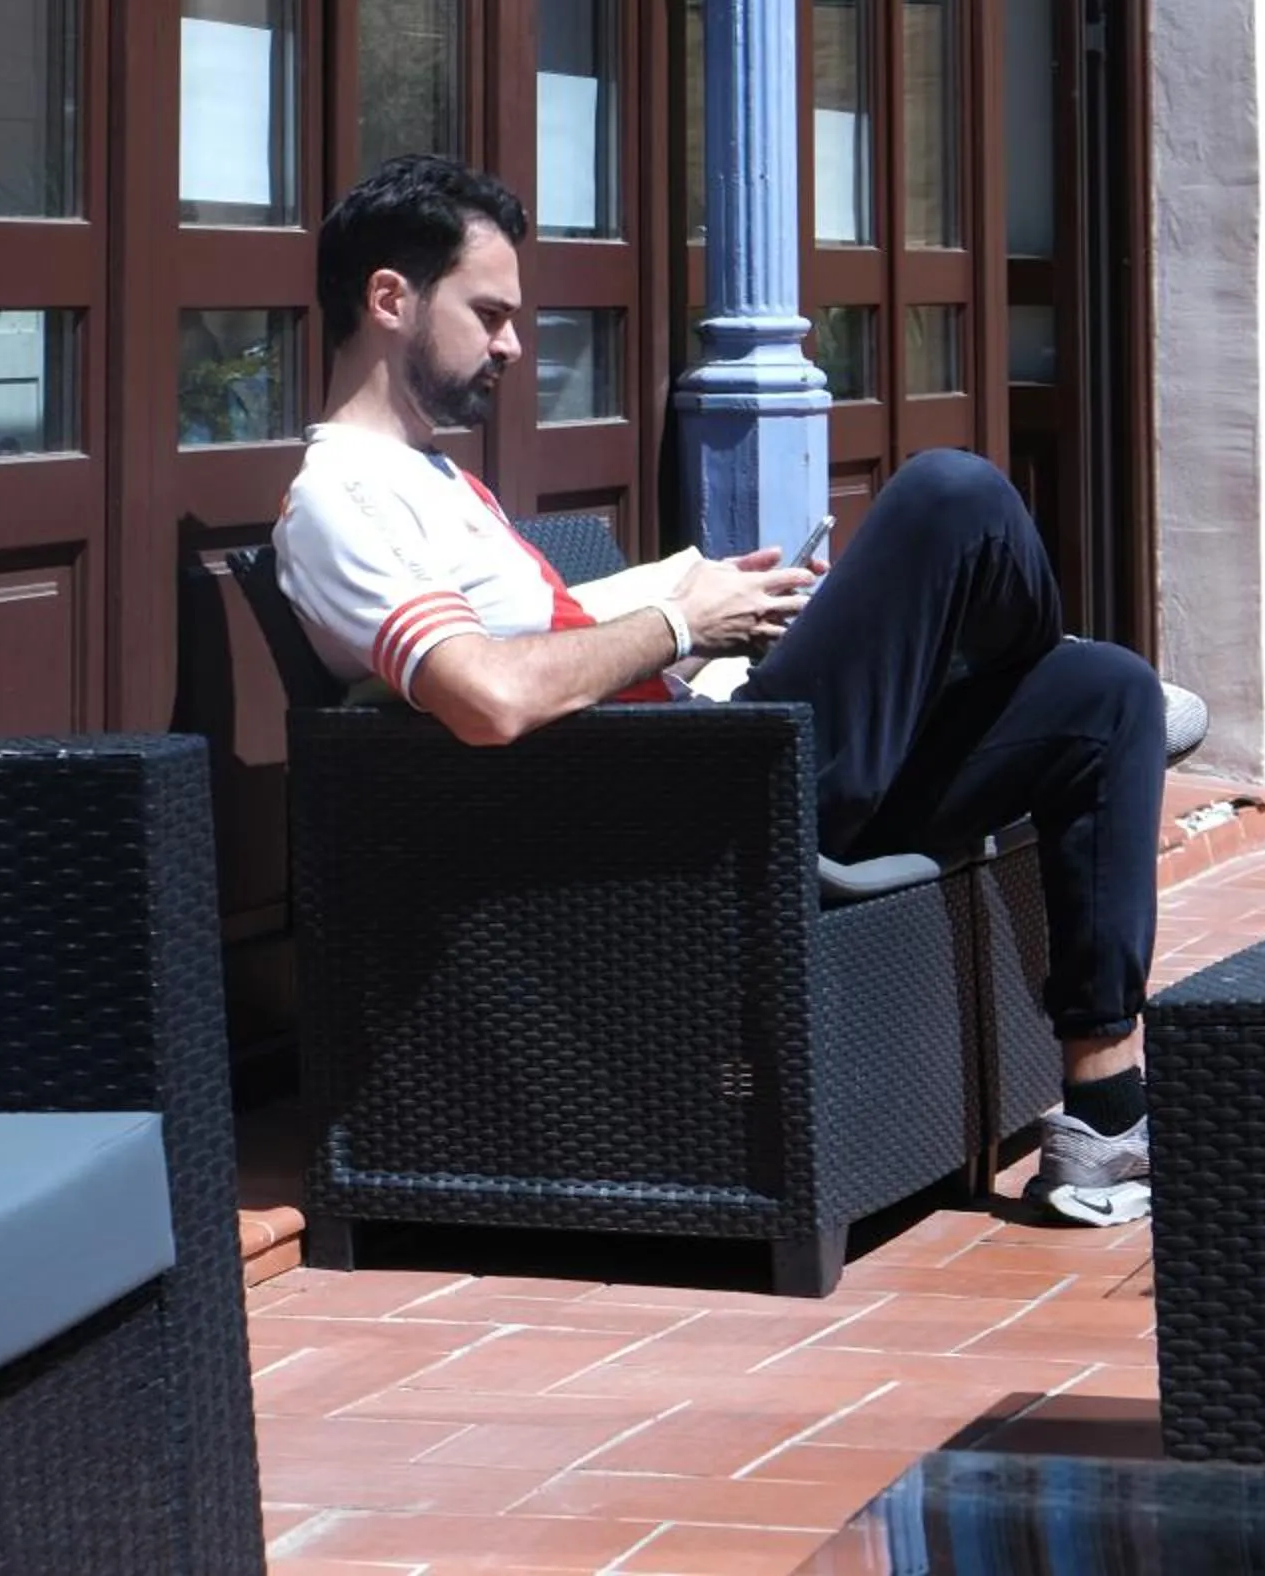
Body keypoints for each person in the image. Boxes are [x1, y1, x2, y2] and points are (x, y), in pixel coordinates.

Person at [275, 154, 1201, 1230]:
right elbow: (485, 695)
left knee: (1106, 696)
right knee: (951, 496)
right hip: (695, 827)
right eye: (489, 314)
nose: (511, 346)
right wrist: (680, 622)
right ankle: (1003, 661)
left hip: (716, 769)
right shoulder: (337, 499)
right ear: (390, 298)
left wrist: (693, 598)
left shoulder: (436, 480)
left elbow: (537, 641)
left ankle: (1102, 1115)